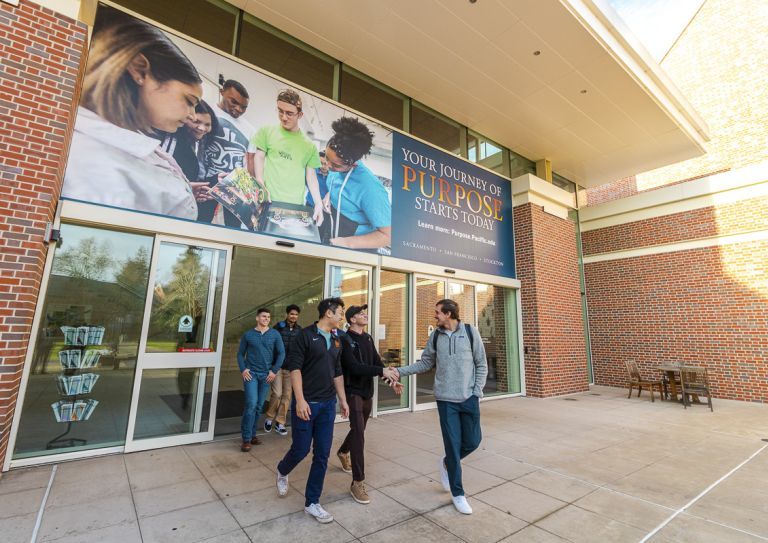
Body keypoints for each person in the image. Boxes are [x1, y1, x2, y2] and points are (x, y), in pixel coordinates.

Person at [62, 7, 201, 219]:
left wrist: (185, 190)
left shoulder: (125, 146)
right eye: (189, 101)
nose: (192, 115)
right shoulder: (93, 163)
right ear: (140, 70)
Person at [391, 299, 487, 515]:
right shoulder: (436, 336)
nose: (435, 316)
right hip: (445, 400)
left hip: (468, 399)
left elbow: (481, 363)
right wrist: (399, 371)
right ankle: (458, 493)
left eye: (438, 312)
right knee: (453, 445)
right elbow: (425, 363)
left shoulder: (471, 332)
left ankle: (446, 463)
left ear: (449, 313)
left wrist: (476, 391)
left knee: (473, 441)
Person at [276, 298, 350, 524]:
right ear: (329, 313)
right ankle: (282, 470)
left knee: (323, 454)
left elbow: (337, 372)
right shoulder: (305, 336)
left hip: (327, 406)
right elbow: (295, 369)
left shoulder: (337, 339)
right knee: (300, 449)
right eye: (340, 313)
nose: (342, 317)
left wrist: (343, 401)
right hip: (307, 404)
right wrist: (299, 401)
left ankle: (312, 502)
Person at [337, 304, 399, 504]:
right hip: (352, 391)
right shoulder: (345, 340)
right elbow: (354, 367)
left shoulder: (368, 337)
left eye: (365, 313)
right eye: (360, 314)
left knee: (359, 429)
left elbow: (377, 363)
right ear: (352, 319)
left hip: (367, 392)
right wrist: (381, 372)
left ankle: (343, 451)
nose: (365, 315)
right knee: (359, 434)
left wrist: (391, 380)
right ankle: (357, 482)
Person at [247, 89, 324, 226]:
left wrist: (318, 202)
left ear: (300, 114)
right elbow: (258, 157)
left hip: (294, 208)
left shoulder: (309, 146)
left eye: (289, 113)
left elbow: (311, 177)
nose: (283, 117)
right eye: (280, 111)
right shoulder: (267, 132)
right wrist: (260, 183)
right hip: (268, 202)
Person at [320, 117, 391, 249]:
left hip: (355, 247)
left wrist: (348, 243)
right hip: (332, 230)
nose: (327, 166)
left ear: (352, 165)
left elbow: (386, 236)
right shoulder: (335, 168)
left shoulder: (370, 189)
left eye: (335, 165)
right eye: (326, 157)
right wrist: (329, 196)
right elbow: (342, 188)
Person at [198, 79, 257, 226]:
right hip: (205, 181)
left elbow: (248, 163)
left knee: (232, 228)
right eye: (233, 102)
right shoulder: (207, 113)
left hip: (233, 188)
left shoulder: (250, 129)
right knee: (201, 221)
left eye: (244, 107)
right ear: (222, 92)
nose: (238, 109)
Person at [237, 309, 285, 452]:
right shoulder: (248, 335)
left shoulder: (275, 334)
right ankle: (246, 438)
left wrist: (274, 371)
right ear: (257, 318)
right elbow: (240, 354)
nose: (266, 319)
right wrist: (243, 369)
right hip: (251, 374)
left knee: (258, 406)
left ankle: (252, 435)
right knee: (251, 403)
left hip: (266, 375)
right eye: (264, 316)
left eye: (268, 317)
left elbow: (281, 353)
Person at [264, 304, 302, 436]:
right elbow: (270, 345)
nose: (294, 316)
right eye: (292, 314)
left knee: (287, 395)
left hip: (291, 368)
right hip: (277, 366)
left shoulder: (300, 331)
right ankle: (269, 417)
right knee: (277, 393)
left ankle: (280, 422)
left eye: (296, 314)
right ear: (287, 314)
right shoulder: (278, 327)